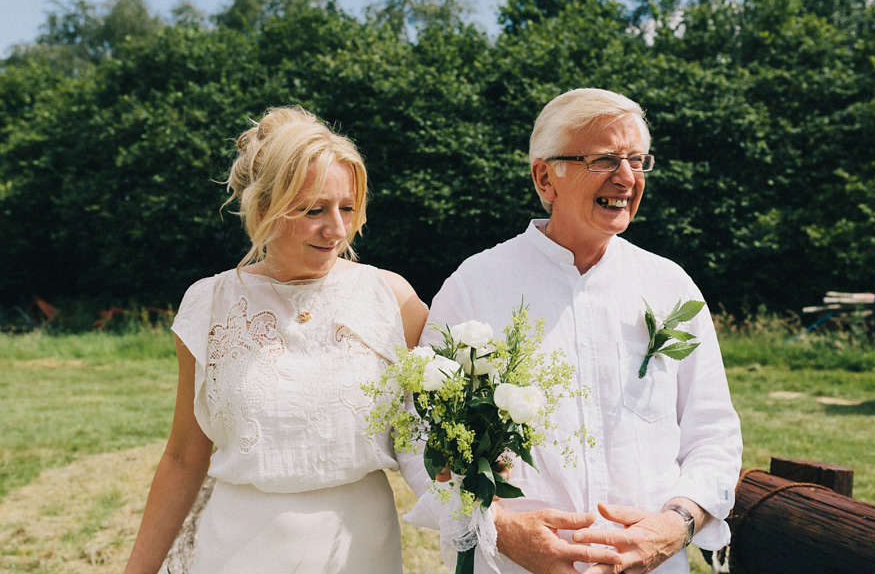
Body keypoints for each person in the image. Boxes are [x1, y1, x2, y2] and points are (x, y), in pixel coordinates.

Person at [417, 88, 742, 574]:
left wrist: (677, 525)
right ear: (545, 177)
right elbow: (421, 440)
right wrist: (500, 528)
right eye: (605, 159)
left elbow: (714, 436)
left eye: (637, 160)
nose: (628, 178)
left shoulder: (670, 285)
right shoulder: (474, 288)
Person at [123, 106, 428, 574]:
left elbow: (444, 424)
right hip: (239, 550)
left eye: (347, 207)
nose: (338, 229)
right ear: (263, 208)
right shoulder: (209, 304)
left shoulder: (390, 298)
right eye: (314, 210)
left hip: (360, 549)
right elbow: (185, 456)